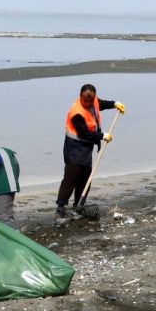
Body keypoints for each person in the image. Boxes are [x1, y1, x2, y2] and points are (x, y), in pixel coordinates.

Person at [56, 84, 126, 223]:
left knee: (85, 177)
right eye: (85, 101)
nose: (88, 103)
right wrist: (102, 136)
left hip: (86, 149)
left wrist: (114, 104)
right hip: (74, 148)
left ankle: (78, 206)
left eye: (90, 101)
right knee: (71, 177)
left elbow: (100, 104)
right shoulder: (76, 112)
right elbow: (84, 133)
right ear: (80, 96)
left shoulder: (93, 101)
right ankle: (60, 211)